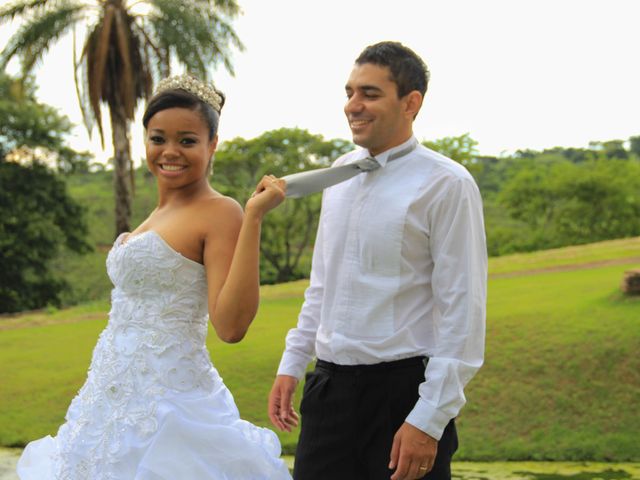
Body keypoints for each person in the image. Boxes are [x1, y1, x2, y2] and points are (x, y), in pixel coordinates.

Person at [17, 74, 292, 479]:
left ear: (212, 143)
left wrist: (253, 218)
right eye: (158, 138)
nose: (170, 152)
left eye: (187, 140)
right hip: (107, 400)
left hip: (170, 406)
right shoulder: (153, 218)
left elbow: (231, 326)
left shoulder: (222, 211)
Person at [268, 41, 487, 480]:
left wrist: (428, 419)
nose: (353, 105)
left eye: (369, 93)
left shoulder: (447, 184)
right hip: (328, 393)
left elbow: (462, 312)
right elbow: (322, 285)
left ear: (411, 103)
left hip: (402, 395)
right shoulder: (338, 176)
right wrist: (293, 363)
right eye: (349, 92)